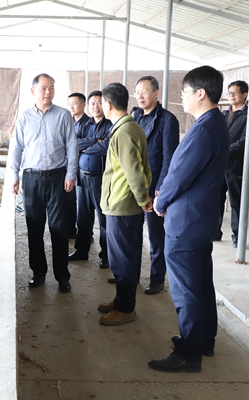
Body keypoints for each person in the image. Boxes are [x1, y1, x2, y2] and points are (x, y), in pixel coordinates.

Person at [149, 66, 229, 373]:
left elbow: (180, 174)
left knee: (186, 290)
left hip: (187, 221)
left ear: (200, 93)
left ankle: (189, 353)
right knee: (200, 282)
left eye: (184, 91)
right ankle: (204, 339)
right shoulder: (214, 122)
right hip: (200, 219)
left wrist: (161, 201)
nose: (181, 97)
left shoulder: (204, 129)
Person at [10, 73, 78, 293]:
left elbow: (72, 146)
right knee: (34, 227)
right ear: (33, 91)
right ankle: (38, 272)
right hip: (32, 179)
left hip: (58, 178)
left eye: (51, 88)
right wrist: (14, 175)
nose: (48, 92)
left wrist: (70, 174)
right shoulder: (24, 117)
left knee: (59, 229)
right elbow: (16, 147)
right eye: (43, 88)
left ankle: (62, 276)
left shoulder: (63, 115)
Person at [97, 82, 152, 326]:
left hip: (122, 204)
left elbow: (134, 171)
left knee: (123, 260)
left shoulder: (124, 131)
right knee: (123, 257)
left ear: (108, 105)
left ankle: (126, 308)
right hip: (122, 203)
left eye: (101, 103)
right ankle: (121, 299)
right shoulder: (128, 127)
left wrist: (142, 199)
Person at [133, 76, 180, 295]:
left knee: (155, 235)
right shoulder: (135, 116)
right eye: (137, 92)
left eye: (144, 91)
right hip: (135, 185)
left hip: (154, 187)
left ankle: (157, 278)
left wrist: (161, 187)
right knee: (132, 232)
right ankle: (131, 274)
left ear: (156, 93)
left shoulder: (167, 120)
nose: (140, 96)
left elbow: (170, 158)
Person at [68, 90, 113, 271]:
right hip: (82, 177)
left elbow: (107, 146)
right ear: (88, 106)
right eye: (93, 103)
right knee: (83, 218)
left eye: (99, 102)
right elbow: (74, 144)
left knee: (104, 219)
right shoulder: (85, 124)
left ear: (106, 104)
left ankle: (106, 256)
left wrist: (87, 147)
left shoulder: (109, 124)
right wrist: (95, 141)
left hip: (99, 178)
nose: (96, 106)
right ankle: (81, 251)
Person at [217, 80, 249, 248]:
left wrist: (224, 151)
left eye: (235, 93)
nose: (231, 96)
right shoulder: (223, 114)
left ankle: (238, 235)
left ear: (245, 95)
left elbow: (245, 140)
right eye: (229, 93)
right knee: (216, 200)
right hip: (219, 165)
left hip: (236, 166)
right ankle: (215, 231)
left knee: (236, 202)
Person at [67, 93, 91, 239]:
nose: (71, 106)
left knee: (83, 204)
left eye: (74, 103)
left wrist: (73, 145)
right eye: (70, 104)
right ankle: (70, 229)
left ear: (83, 105)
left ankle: (86, 234)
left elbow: (88, 143)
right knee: (69, 200)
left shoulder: (89, 123)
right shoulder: (68, 121)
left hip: (83, 167)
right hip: (69, 166)